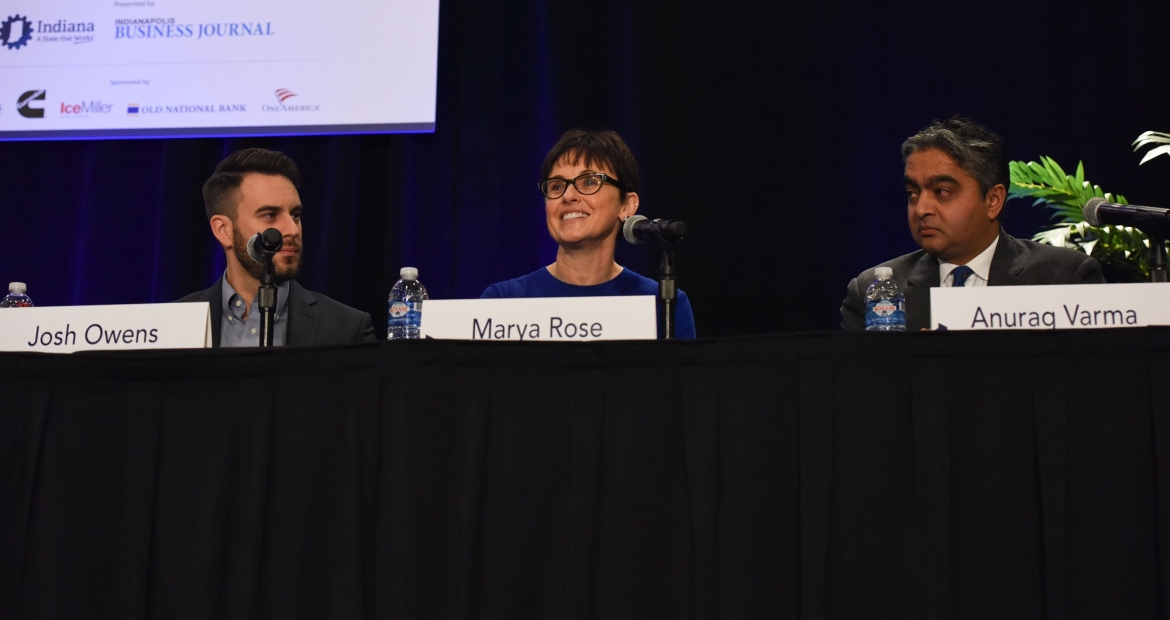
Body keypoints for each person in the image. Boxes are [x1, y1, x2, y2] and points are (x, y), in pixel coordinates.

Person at [841, 116, 1105, 331]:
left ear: (993, 200)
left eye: (942, 191)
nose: (921, 209)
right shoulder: (872, 293)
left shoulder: (1065, 280)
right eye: (913, 193)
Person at [481, 129, 696, 339]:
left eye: (589, 182)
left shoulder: (663, 304)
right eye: (557, 186)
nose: (568, 195)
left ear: (627, 205)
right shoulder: (503, 302)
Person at [178, 148, 375, 347]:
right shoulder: (173, 323)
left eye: (295, 215)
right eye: (270, 215)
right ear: (223, 230)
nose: (292, 230)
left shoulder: (346, 329)